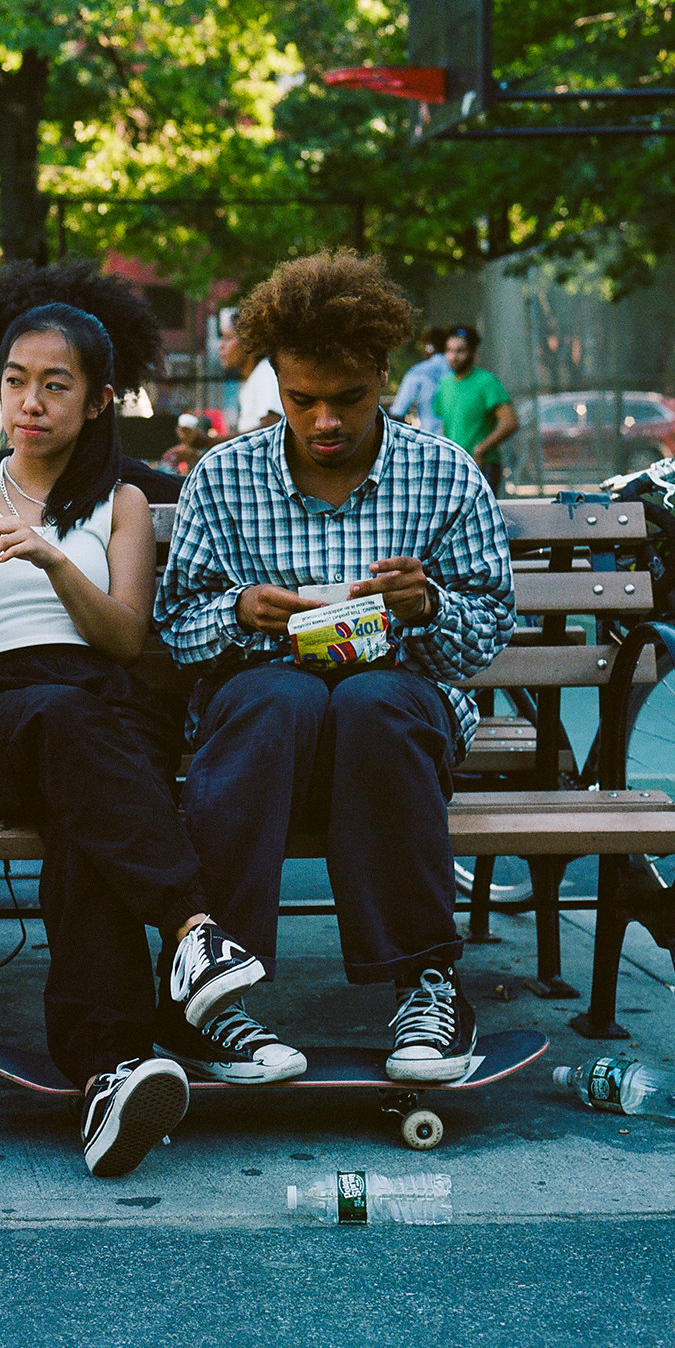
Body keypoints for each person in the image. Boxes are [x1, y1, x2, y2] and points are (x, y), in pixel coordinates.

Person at [0, 260, 264, 1178]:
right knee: (64, 727)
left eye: (56, 385)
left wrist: (53, 562)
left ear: (97, 400)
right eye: (15, 382)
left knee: (87, 806)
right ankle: (192, 930)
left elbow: (125, 639)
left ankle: (112, 1068)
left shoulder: (121, 501)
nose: (30, 403)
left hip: (102, 711)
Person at [154, 250, 516, 1087]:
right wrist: (239, 612)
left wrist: (428, 607)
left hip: (395, 722)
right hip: (265, 726)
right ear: (274, 383)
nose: (324, 421)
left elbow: (486, 638)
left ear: (385, 375)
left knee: (375, 699)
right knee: (276, 697)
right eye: (301, 398)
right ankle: (213, 991)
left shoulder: (443, 473)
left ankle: (427, 979)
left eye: (349, 399)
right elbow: (176, 633)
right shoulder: (226, 475)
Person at [432, 324, 518, 493]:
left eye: (460, 351)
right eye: (449, 350)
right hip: (455, 466)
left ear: (472, 352)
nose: (453, 357)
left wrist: (481, 449)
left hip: (482, 466)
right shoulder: (444, 384)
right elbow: (446, 425)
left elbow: (510, 422)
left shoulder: (486, 381)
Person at [388, 326, 452, 431]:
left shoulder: (418, 371)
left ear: (429, 347)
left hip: (431, 438)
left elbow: (398, 412)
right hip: (459, 440)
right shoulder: (459, 371)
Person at [225, 328, 282, 435]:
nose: (221, 345)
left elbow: (271, 425)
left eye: (228, 338)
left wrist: (210, 442)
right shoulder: (252, 377)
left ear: (248, 342)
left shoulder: (265, 371)